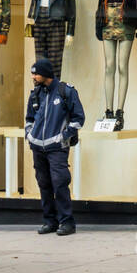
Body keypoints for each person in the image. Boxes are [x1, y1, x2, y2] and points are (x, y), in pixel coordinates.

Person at [24, 58, 85, 236]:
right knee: (44, 184)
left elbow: (78, 119)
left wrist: (63, 137)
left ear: (46, 74)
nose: (33, 76)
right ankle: (49, 221)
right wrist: (30, 135)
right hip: (38, 148)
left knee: (60, 184)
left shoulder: (66, 91)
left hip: (57, 148)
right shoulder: (35, 94)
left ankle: (67, 223)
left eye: (36, 73)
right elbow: (29, 118)